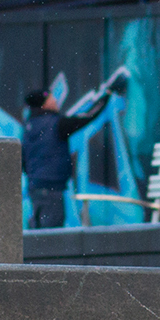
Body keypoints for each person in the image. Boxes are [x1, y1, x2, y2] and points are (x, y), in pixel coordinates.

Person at [20, 87, 111, 228]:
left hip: (35, 188)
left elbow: (23, 161)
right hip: (52, 189)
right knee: (51, 236)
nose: (55, 101)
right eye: (51, 98)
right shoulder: (56, 124)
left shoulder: (29, 127)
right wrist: (107, 95)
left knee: (38, 234)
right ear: (45, 104)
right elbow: (87, 116)